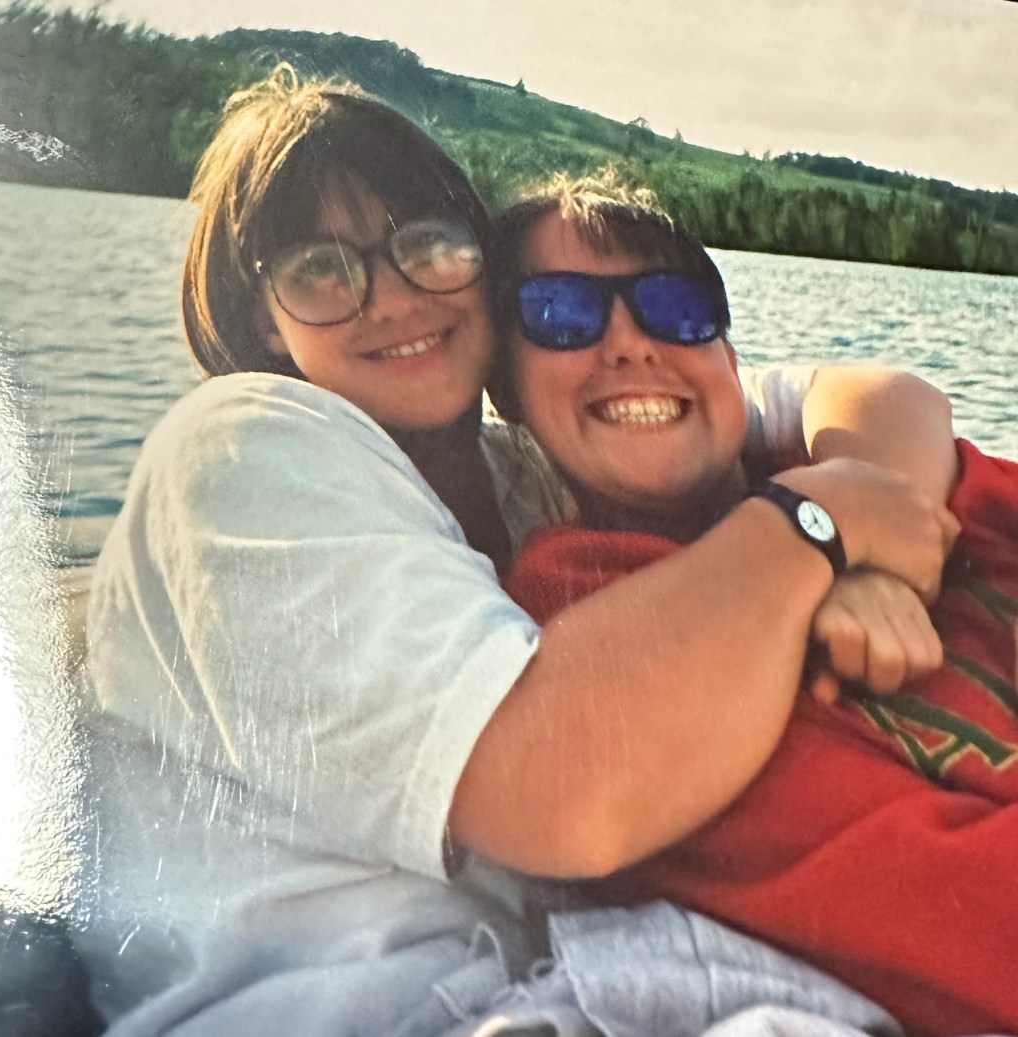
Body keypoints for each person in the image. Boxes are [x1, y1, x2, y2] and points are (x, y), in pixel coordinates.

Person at [79, 68, 957, 1036]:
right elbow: (565, 798)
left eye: (430, 246)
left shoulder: (522, 464)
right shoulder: (247, 446)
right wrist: (810, 528)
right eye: (321, 269)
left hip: (576, 977)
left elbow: (872, 394)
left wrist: (876, 562)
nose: (393, 298)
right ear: (262, 317)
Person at [493, 172, 1018, 1037]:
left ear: (732, 362)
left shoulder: (906, 474)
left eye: (675, 307)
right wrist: (814, 534)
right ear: (505, 395)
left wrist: (864, 557)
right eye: (561, 313)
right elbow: (945, 912)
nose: (629, 344)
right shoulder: (589, 611)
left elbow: (893, 399)